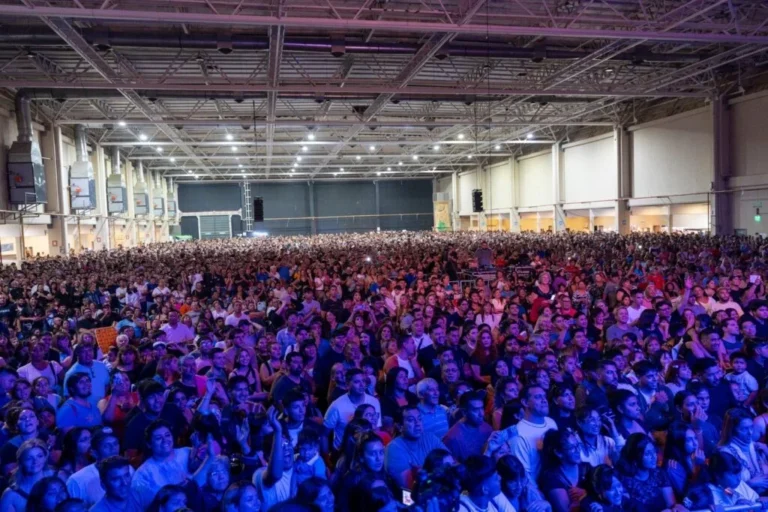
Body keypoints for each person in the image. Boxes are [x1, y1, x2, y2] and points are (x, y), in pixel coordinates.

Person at [131, 419, 215, 509]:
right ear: (149, 444)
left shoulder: (187, 452)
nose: (165, 440)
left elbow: (210, 477)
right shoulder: (143, 475)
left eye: (167, 435)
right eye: (158, 438)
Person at [385, 404, 448, 489]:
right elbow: (407, 487)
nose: (418, 423)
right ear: (399, 426)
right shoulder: (393, 449)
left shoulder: (430, 437)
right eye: (411, 420)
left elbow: (449, 461)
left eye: (419, 419)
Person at [615, 433, 681, 512]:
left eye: (654, 451)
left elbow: (671, 505)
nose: (654, 456)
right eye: (647, 454)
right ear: (636, 457)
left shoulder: (659, 473)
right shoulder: (624, 480)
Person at [65, 426, 126, 507]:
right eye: (106, 446)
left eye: (115, 444)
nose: (113, 449)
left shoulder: (128, 470)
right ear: (94, 453)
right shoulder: (78, 480)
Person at [509, 385, 558, 485]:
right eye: (538, 397)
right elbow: (524, 475)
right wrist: (538, 493)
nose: (544, 400)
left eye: (544, 396)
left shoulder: (551, 422)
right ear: (525, 402)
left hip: (557, 483)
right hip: (537, 488)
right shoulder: (518, 434)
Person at [323, 368, 381, 451]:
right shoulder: (337, 405)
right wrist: (326, 456)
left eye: (363, 381)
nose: (362, 385)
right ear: (347, 384)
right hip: (342, 451)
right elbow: (324, 435)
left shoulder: (374, 402)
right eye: (357, 382)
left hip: (367, 450)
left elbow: (376, 429)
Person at [538, 428, 590, 512]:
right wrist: (587, 497)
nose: (578, 450)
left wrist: (586, 493)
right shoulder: (552, 476)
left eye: (577, 445)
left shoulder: (586, 468)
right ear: (558, 453)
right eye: (571, 447)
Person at [0, 439, 52, 512]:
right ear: (21, 462)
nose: (35, 461)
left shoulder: (57, 478)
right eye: (29, 458)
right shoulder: (11, 494)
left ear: (45, 458)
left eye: (39, 456)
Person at [443, 390, 493, 463]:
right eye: (476, 410)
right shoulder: (452, 438)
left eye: (482, 408)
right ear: (464, 412)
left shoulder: (487, 427)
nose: (481, 414)